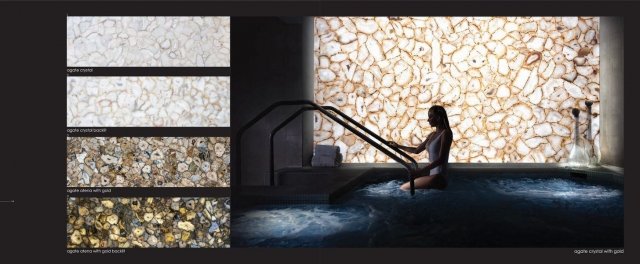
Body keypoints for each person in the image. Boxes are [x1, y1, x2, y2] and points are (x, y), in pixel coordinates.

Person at [388, 105, 453, 190]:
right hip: (432, 176)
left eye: (430, 117)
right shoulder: (432, 135)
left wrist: (421, 171)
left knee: (403, 188)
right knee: (405, 188)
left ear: (438, 117)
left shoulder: (446, 133)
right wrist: (398, 146)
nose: (428, 120)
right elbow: (416, 150)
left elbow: (441, 159)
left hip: (439, 177)